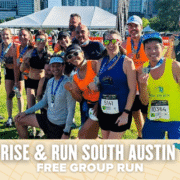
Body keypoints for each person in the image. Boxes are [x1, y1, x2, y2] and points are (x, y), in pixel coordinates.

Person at [14, 56, 76, 139]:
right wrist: (26, 112)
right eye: (53, 66)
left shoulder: (68, 83)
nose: (55, 68)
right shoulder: (50, 81)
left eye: (58, 66)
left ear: (63, 66)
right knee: (18, 120)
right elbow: (43, 102)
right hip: (47, 119)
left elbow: (71, 110)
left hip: (59, 126)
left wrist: (66, 132)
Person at [90, 30, 136, 139]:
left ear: (119, 42)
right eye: (107, 41)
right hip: (104, 109)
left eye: (114, 41)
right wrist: (95, 86)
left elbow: (133, 90)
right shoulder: (100, 62)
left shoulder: (127, 62)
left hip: (120, 111)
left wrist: (126, 113)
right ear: (104, 43)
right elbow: (98, 82)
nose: (110, 44)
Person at [138, 32, 180, 139]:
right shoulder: (143, 69)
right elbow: (144, 102)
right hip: (154, 119)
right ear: (144, 50)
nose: (152, 51)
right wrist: (143, 86)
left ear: (162, 47)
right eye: (148, 48)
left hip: (176, 120)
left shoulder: (174, 66)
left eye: (156, 47)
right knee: (151, 153)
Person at [64, 44, 100, 139]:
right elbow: (79, 99)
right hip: (87, 106)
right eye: (70, 56)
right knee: (91, 136)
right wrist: (71, 90)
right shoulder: (75, 75)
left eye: (76, 53)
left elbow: (105, 81)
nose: (73, 57)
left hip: (101, 105)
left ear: (82, 53)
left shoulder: (93, 64)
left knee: (82, 134)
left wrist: (98, 104)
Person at [122, 15, 149, 139]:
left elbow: (155, 62)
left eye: (135, 26)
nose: (133, 28)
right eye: (130, 26)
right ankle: (140, 135)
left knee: (146, 113)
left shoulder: (147, 42)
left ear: (141, 27)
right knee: (134, 112)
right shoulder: (124, 43)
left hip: (145, 84)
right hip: (131, 86)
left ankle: (149, 136)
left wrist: (140, 70)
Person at [0, 28, 23, 127]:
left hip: (18, 72)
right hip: (8, 72)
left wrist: (16, 81)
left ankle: (21, 116)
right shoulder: (0, 46)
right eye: (3, 35)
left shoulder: (16, 46)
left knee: (19, 94)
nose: (5, 37)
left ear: (11, 36)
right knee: (9, 95)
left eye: (7, 35)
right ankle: (10, 117)